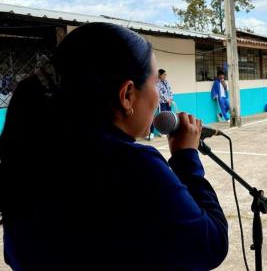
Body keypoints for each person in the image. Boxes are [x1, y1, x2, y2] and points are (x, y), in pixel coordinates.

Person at [0, 23, 228, 270]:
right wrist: (187, 158)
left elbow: (14, 255)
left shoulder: (31, 157)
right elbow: (211, 245)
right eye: (153, 84)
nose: (157, 97)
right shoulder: (134, 165)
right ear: (127, 94)